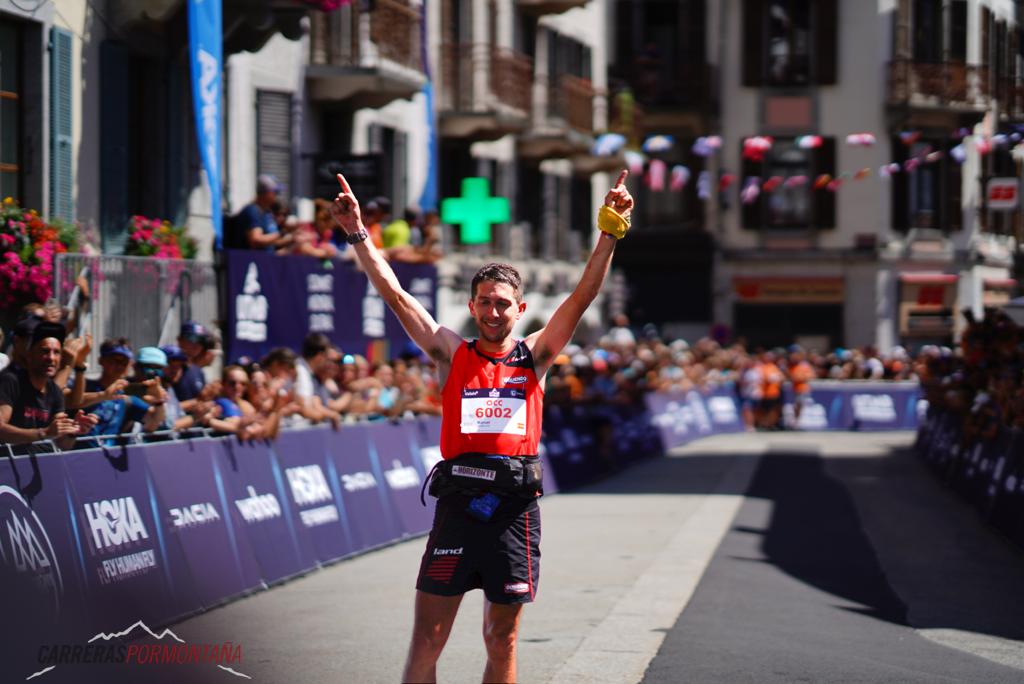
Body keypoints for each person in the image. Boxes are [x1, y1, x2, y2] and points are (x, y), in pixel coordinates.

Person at [329, 168, 634, 682]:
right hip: (458, 509)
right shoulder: (451, 351)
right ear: (472, 306)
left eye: (503, 304)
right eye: (485, 302)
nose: (493, 311)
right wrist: (359, 233)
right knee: (428, 641)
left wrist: (609, 232)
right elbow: (398, 296)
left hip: (515, 511)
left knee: (502, 638)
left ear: (519, 310)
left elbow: (580, 297)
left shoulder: (534, 354)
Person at [0, 321, 97, 453]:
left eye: (56, 352)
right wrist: (43, 433)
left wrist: (73, 431)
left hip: (42, 465)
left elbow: (63, 444)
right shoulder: (10, 381)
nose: (51, 358)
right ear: (29, 355)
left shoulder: (55, 392)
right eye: (45, 351)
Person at [227, 174, 294, 251]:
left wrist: (292, 238)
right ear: (265, 193)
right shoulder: (252, 211)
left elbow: (271, 242)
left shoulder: (266, 213)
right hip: (250, 261)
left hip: (264, 260)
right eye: (275, 192)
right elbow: (255, 240)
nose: (277, 195)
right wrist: (282, 233)